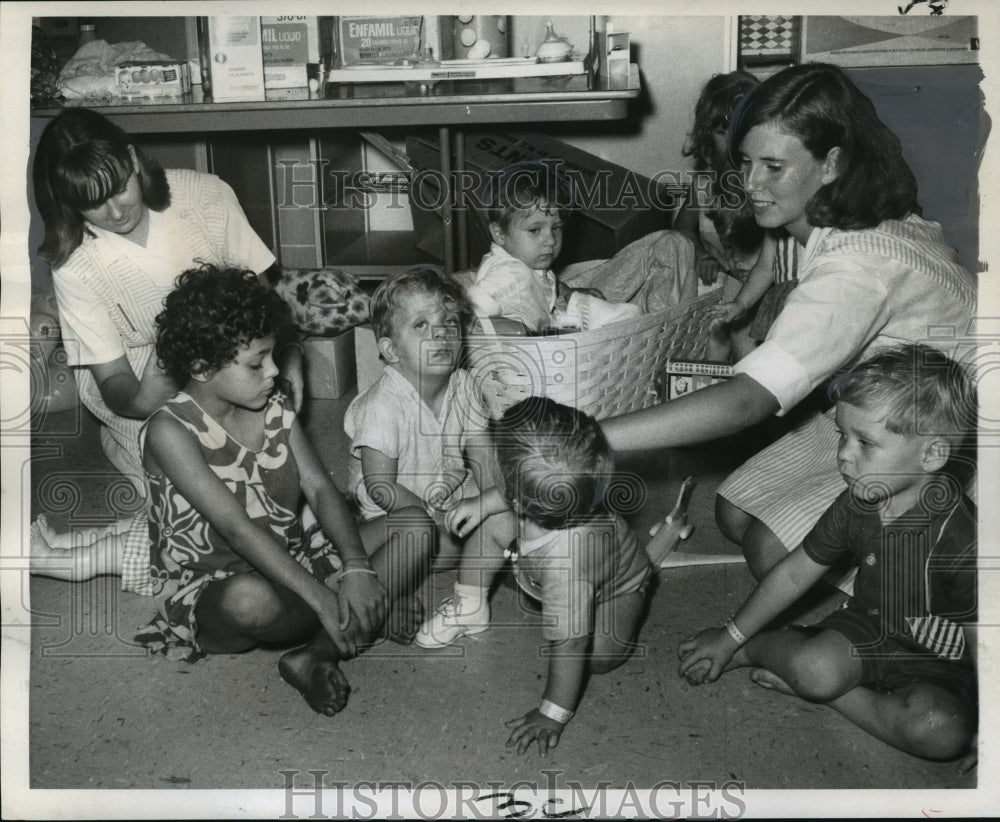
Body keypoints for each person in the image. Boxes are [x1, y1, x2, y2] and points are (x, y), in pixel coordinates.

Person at [601, 63, 977, 586]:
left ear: (831, 164)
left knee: (769, 553)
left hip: (940, 434)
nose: (750, 184)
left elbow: (747, 399)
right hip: (875, 403)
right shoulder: (837, 214)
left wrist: (590, 435)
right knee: (732, 512)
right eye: (746, 162)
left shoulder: (859, 268)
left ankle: (898, 592)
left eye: (773, 167)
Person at [133, 265, 430, 715]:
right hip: (219, 582)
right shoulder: (169, 431)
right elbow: (234, 528)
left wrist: (357, 570)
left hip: (295, 555)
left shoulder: (273, 404)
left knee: (415, 525)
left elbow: (319, 487)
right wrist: (325, 598)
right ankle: (363, 617)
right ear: (200, 367)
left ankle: (316, 653)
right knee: (249, 601)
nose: (274, 370)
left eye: (271, 355)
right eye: (256, 362)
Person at [30, 107, 302, 594]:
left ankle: (95, 542)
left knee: (269, 490)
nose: (115, 212)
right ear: (68, 203)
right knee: (212, 504)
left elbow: (261, 304)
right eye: (92, 204)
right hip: (139, 377)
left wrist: (288, 361)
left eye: (119, 187)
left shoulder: (207, 194)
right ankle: (83, 556)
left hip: (228, 351)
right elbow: (119, 392)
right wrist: (165, 370)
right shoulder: (73, 264)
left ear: (133, 160)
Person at [677, 344, 978, 768]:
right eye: (842, 435)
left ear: (931, 454)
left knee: (940, 732)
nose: (843, 454)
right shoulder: (858, 502)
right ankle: (765, 652)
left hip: (948, 666)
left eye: (865, 443)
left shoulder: (964, 543)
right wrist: (731, 639)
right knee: (816, 670)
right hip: (871, 630)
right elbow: (794, 573)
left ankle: (827, 693)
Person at [342, 267, 517, 649]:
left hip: (446, 514)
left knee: (507, 514)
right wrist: (433, 516)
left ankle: (470, 600)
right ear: (390, 350)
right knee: (413, 535)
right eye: (421, 325)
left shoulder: (466, 385)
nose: (441, 333)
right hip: (388, 525)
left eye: (450, 323)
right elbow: (380, 487)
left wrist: (493, 503)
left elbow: (484, 459)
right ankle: (375, 591)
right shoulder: (383, 404)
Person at [485, 397, 652, 756]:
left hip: (616, 589)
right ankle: (470, 600)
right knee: (487, 521)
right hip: (545, 560)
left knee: (598, 655)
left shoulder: (568, 565)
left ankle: (632, 603)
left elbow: (572, 643)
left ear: (516, 499)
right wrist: (480, 504)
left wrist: (553, 713)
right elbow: (509, 495)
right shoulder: (544, 495)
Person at [465, 160, 642, 335]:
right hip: (528, 348)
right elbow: (467, 312)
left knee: (612, 314)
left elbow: (543, 282)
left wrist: (568, 292)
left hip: (546, 328)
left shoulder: (526, 262)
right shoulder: (509, 274)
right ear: (499, 234)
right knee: (626, 316)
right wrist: (515, 333)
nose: (550, 240)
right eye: (535, 230)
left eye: (556, 228)